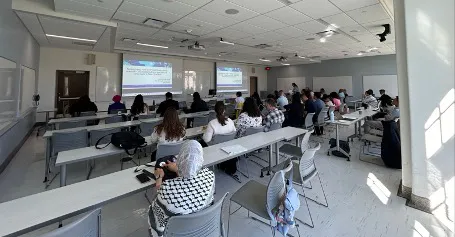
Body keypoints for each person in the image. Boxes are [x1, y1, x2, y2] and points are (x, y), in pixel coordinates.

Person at [149, 140, 215, 237]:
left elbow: (156, 217)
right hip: (202, 228)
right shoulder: (210, 176)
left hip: (177, 233)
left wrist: (159, 178)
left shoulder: (167, 187)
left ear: (179, 159)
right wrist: (178, 170)